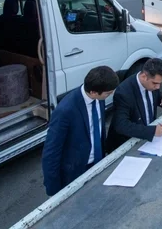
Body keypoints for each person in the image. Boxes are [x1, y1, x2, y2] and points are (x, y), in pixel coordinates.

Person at [42, 66, 119, 196]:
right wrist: (53, 191)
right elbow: (51, 151)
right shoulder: (65, 111)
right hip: (76, 173)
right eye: (108, 93)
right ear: (94, 92)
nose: (110, 95)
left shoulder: (97, 99)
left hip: (97, 164)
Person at [106, 58, 162, 151]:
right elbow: (121, 125)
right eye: (155, 83)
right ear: (144, 76)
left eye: (160, 84)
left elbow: (154, 95)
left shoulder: (150, 84)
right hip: (128, 143)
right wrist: (152, 131)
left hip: (149, 140)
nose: (158, 87)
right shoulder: (123, 92)